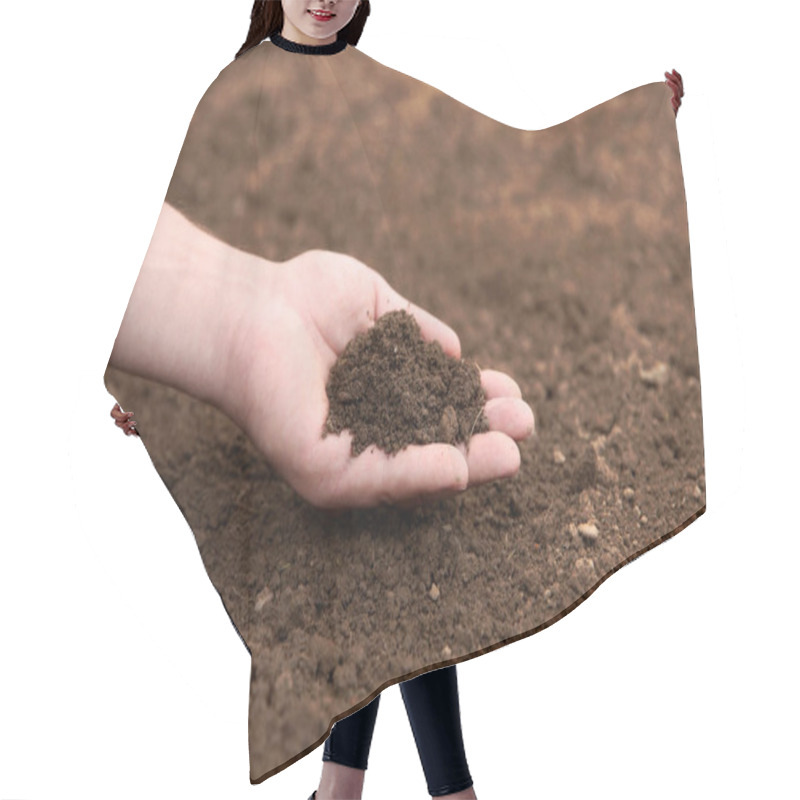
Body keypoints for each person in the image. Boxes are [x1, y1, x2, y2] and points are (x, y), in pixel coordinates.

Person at [110, 2, 684, 797]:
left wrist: (634, 124)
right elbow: (171, 257)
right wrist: (147, 387)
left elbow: (497, 151)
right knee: (369, 589)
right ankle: (424, 789)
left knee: (401, 580)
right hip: (283, 387)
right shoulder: (233, 90)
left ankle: (356, 787)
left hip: (371, 345)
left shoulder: (372, 82)